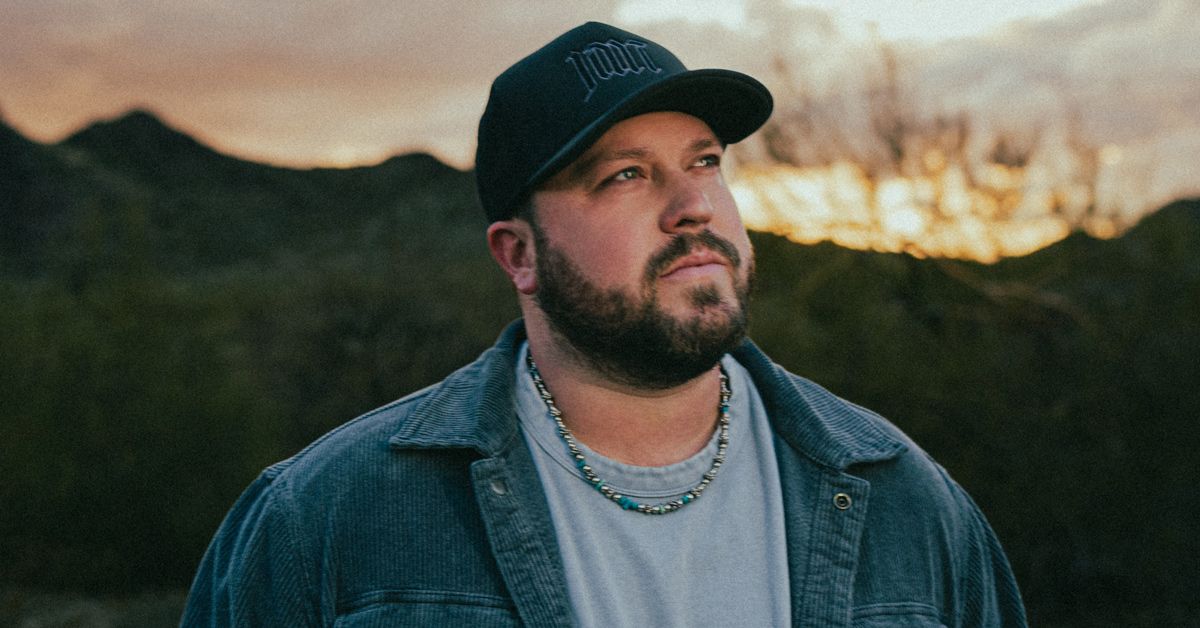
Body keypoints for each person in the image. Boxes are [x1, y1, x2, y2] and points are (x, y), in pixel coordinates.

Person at [181, 21, 1026, 627]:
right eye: (626, 175)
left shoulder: (907, 502)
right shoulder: (326, 517)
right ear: (520, 254)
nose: (694, 206)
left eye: (705, 162)